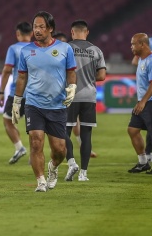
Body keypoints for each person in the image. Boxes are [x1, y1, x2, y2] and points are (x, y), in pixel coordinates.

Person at [13, 11, 76, 192]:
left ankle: (53, 168)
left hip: (57, 104)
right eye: (35, 27)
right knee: (35, 141)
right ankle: (40, 181)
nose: (37, 30)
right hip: (34, 103)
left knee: (60, 150)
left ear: (51, 29)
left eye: (41, 27)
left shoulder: (65, 49)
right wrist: (17, 102)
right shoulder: (26, 51)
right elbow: (22, 78)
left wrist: (72, 88)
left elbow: (71, 72)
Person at [64, 20, 106, 182]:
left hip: (70, 95)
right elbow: (102, 76)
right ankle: (83, 173)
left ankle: (71, 163)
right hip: (89, 96)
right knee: (86, 134)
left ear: (72, 32)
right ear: (86, 32)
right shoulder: (96, 51)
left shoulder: (66, 48)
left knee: (64, 132)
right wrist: (88, 77)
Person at [126, 33, 152, 175]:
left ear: (142, 44)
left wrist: (143, 102)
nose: (131, 47)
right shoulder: (142, 59)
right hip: (143, 102)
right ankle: (143, 162)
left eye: (133, 44)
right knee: (132, 130)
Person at [0, 22, 31, 165]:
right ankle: (35, 154)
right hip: (36, 93)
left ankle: (19, 147)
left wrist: (1, 92)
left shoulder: (13, 49)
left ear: (18, 34)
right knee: (35, 126)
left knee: (7, 121)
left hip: (18, 93)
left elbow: (6, 71)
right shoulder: (38, 48)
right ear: (31, 33)